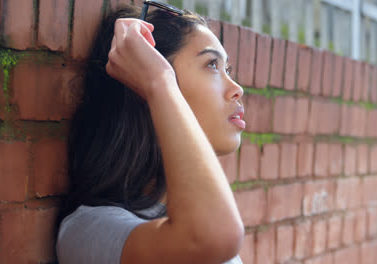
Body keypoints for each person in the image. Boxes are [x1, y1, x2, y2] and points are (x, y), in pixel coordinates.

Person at [55, 2, 246, 264]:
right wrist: (159, 83)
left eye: (228, 70)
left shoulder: (194, 217)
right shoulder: (91, 230)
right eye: (212, 64)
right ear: (142, 80)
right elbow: (211, 237)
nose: (237, 89)